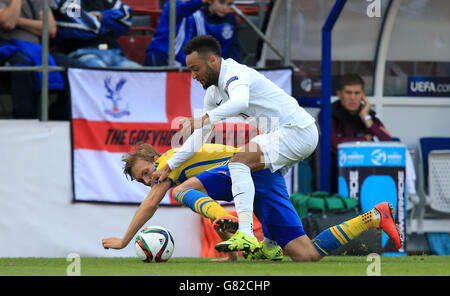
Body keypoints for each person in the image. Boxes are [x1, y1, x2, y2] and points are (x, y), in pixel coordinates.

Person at [150, 35, 318, 254]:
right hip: (289, 135)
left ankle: (246, 234)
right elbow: (200, 136)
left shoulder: (235, 73)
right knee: (304, 252)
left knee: (238, 162)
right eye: (190, 70)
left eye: (195, 68)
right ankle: (270, 244)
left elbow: (240, 102)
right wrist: (169, 165)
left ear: (212, 60)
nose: (193, 76)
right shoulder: (213, 93)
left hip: (297, 131)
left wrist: (205, 118)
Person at [102, 142, 403, 262]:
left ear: (155, 158)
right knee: (306, 255)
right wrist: (232, 259)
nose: (147, 181)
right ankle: (375, 217)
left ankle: (239, 229)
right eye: (142, 180)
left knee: (180, 192)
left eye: (145, 172)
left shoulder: (170, 159)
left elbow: (152, 203)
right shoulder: (179, 173)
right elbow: (214, 216)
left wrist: (124, 240)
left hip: (242, 167)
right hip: (264, 178)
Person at [329, 73, 417, 199]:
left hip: (369, 172)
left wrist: (366, 118)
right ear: (339, 94)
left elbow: (390, 143)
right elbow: (334, 144)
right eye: (348, 93)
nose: (353, 98)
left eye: (357, 93)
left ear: (363, 95)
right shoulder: (329, 113)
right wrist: (365, 139)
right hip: (339, 172)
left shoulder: (369, 114)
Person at [0, 0, 64, 119]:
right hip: (7, 48)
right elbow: (7, 23)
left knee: (74, 68)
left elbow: (50, 29)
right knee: (22, 65)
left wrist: (18, 21)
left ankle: (58, 119)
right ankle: (25, 120)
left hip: (37, 51)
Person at [145, 0, 239, 67]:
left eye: (229, 4)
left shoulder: (196, 12)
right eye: (222, 2)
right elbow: (182, 9)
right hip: (160, 54)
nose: (225, 8)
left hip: (180, 60)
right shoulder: (173, 4)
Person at [51, 0, 141, 68]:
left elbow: (126, 18)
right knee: (102, 76)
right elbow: (90, 26)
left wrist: (100, 15)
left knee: (140, 76)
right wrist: (108, 24)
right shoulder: (63, 2)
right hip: (82, 54)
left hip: (113, 53)